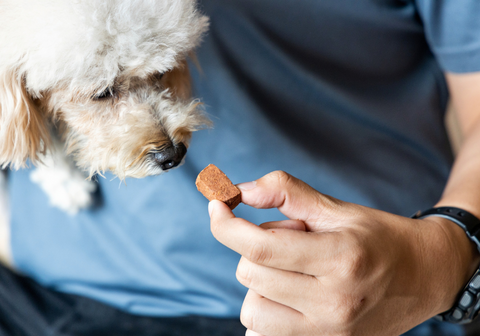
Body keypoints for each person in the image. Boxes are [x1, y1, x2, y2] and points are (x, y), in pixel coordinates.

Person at [1, 0, 480, 335]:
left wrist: (441, 259)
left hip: (343, 310)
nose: (168, 143)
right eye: (104, 93)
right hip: (36, 289)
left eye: (161, 73)